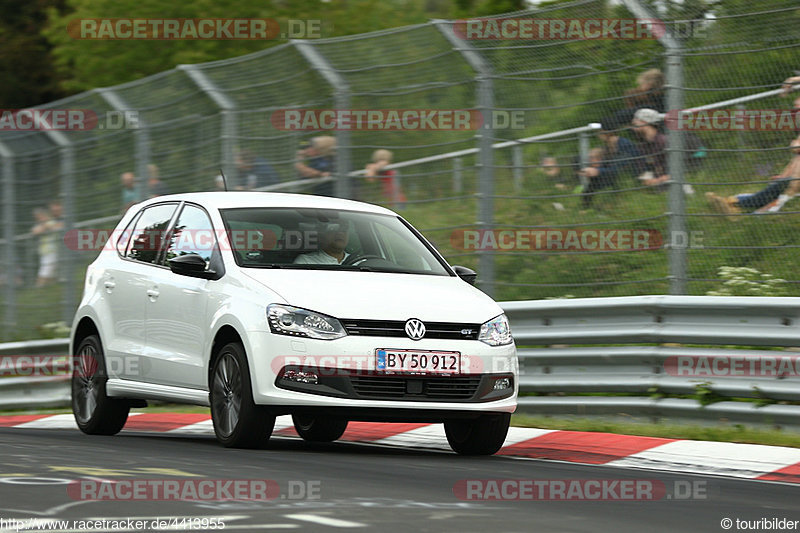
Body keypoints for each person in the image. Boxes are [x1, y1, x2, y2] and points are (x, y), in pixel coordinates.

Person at [706, 139, 800, 216]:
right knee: (766, 194)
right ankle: (730, 203)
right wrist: (782, 176)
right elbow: (795, 152)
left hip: (796, 183)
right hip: (791, 180)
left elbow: (796, 146)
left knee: (769, 193)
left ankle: (733, 204)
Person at [579, 120, 642, 208]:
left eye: (600, 131)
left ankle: (608, 203)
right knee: (594, 180)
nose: (598, 134)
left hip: (630, 175)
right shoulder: (608, 147)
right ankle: (586, 206)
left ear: (607, 132)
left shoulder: (624, 145)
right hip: (617, 175)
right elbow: (607, 166)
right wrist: (593, 170)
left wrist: (597, 171)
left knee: (601, 175)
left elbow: (619, 168)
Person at [31, 207, 59, 287]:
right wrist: (43, 226)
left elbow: (55, 227)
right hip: (44, 252)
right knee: (50, 274)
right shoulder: (41, 225)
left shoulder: (51, 222)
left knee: (45, 273)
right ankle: (48, 291)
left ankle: (38, 290)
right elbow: (35, 231)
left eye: (40, 216)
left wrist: (45, 225)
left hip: (52, 251)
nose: (38, 219)